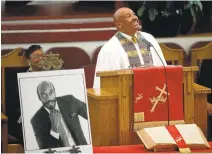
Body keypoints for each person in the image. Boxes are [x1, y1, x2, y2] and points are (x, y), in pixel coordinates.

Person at [93, 7, 167, 88]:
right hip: (126, 95)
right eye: (129, 16)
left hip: (153, 90)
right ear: (119, 24)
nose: (135, 18)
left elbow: (162, 68)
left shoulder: (148, 38)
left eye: (134, 14)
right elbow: (104, 84)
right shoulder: (109, 48)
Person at [31, 81, 88, 149]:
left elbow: (91, 114)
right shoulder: (36, 120)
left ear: (55, 92)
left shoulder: (70, 101)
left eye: (51, 93)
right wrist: (54, 128)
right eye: (44, 95)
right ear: (39, 98)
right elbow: (45, 150)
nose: (48, 98)